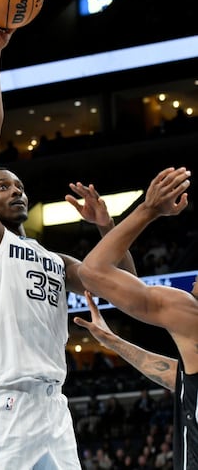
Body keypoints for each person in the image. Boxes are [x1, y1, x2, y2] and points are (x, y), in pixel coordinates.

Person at [0, 0, 136, 469]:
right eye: (2, 186)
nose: (14, 192)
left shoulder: (55, 261)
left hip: (54, 407)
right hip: (6, 404)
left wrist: (107, 227)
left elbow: (123, 288)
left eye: (19, 187)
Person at [74, 165, 196, 469]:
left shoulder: (192, 316)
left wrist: (149, 209)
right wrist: (114, 342)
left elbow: (94, 273)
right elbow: (176, 377)